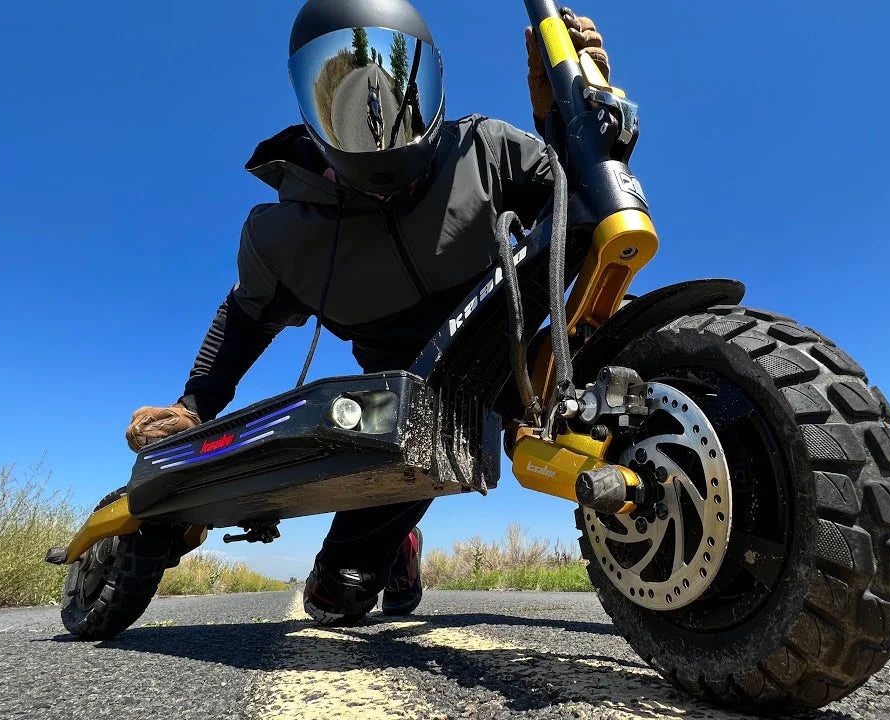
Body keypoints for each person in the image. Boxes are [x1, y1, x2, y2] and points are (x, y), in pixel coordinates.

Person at [123, 0, 609, 626]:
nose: (377, 120)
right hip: (395, 409)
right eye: (349, 100)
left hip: (514, 350)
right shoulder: (284, 234)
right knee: (336, 597)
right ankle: (394, 546)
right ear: (314, 108)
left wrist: (574, 110)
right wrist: (194, 406)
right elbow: (244, 320)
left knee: (618, 368)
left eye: (391, 88)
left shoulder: (485, 149)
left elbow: (580, 199)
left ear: (426, 83)